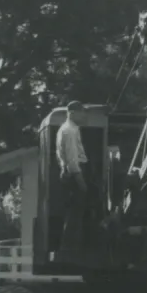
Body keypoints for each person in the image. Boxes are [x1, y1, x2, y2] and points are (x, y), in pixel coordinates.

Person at [56, 100, 90, 249]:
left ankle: (69, 247)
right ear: (72, 113)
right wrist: (82, 183)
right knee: (75, 215)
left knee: (73, 214)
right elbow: (72, 161)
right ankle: (71, 249)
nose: (84, 116)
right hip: (75, 175)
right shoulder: (70, 130)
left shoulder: (65, 129)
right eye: (81, 112)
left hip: (68, 174)